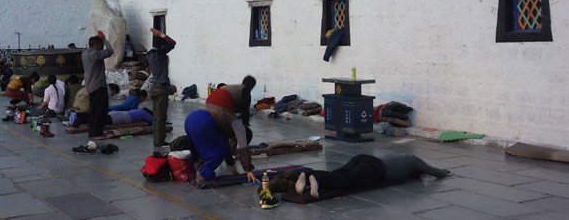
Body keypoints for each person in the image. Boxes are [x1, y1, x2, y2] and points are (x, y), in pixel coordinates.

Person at [184, 87, 257, 186]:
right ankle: (203, 176)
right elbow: (243, 148)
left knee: (202, 148)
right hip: (204, 122)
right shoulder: (238, 126)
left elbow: (227, 149)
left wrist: (233, 168)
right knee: (218, 153)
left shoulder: (225, 119)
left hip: (191, 118)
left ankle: (196, 169)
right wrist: (248, 170)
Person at [292, 154, 451, 198]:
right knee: (346, 180)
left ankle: (307, 175)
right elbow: (434, 171)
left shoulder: (403, 156)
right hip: (375, 169)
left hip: (365, 158)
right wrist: (446, 172)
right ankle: (316, 179)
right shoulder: (415, 161)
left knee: (339, 173)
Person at [147, 27, 176, 155]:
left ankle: (157, 139)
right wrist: (161, 34)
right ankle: (159, 141)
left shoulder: (150, 55)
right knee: (161, 118)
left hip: (154, 87)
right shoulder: (159, 54)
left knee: (156, 117)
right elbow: (172, 43)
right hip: (161, 88)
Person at [81, 30, 114, 140]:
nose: (101, 47)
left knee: (93, 110)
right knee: (102, 110)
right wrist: (105, 40)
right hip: (99, 85)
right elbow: (110, 51)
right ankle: (98, 132)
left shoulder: (84, 53)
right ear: (95, 45)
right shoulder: (95, 54)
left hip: (90, 86)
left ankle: (92, 131)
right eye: (100, 45)